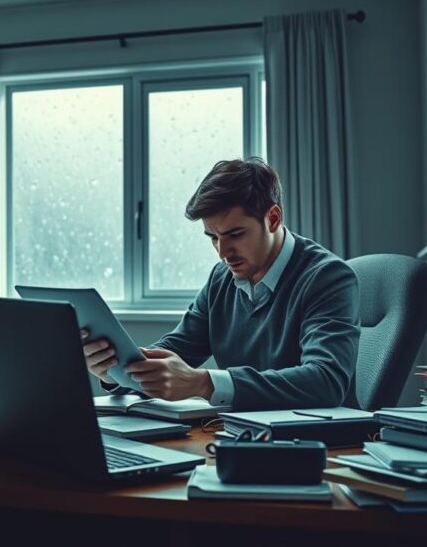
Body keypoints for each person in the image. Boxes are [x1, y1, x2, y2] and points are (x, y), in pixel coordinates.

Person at [82, 158, 359, 410]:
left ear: (273, 219)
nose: (223, 252)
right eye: (212, 237)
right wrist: (114, 371)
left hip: (321, 446)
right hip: (240, 437)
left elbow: (326, 382)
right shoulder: (221, 278)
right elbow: (176, 353)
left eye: (235, 234)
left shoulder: (329, 278)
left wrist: (203, 383)